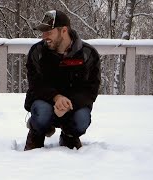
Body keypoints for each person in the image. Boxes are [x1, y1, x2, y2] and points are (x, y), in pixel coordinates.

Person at [24, 9, 101, 151]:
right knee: (41, 113)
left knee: (82, 119)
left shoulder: (88, 54)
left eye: (49, 32)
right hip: (45, 102)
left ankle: (69, 136)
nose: (44, 36)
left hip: (74, 105)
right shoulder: (37, 52)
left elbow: (91, 90)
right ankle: (36, 133)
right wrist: (56, 98)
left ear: (64, 30)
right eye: (43, 32)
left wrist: (66, 105)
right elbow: (35, 85)